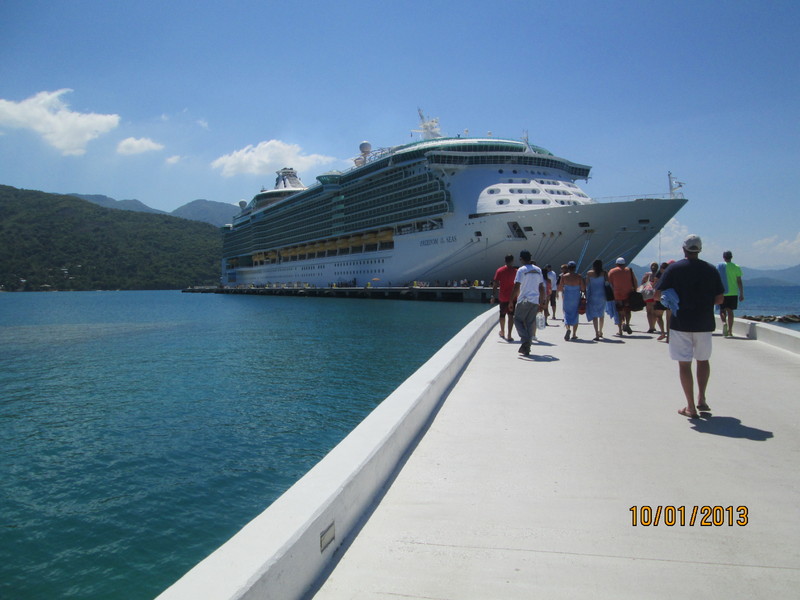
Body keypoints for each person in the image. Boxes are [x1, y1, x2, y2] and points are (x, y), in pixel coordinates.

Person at [655, 234, 724, 419]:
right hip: (704, 322)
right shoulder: (710, 270)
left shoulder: (673, 269)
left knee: (684, 364)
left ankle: (690, 407)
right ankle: (702, 399)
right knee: (703, 360)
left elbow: (657, 295)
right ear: (700, 249)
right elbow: (719, 298)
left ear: (683, 249)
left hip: (680, 323)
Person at [509, 250, 546, 356]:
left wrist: (511, 301)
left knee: (517, 320)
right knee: (530, 323)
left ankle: (525, 340)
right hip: (535, 301)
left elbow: (516, 286)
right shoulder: (538, 270)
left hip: (524, 300)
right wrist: (542, 301)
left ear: (521, 259)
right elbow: (541, 287)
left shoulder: (521, 270)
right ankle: (527, 348)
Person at [490, 254, 518, 341]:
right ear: (512, 261)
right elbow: (518, 285)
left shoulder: (500, 270)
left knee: (502, 315)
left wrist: (493, 296)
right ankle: (509, 335)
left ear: (505, 260)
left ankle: (502, 331)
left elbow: (495, 284)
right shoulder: (516, 271)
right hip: (513, 297)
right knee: (511, 315)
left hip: (503, 296)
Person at [717, 250, 744, 337]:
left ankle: (724, 322)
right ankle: (730, 331)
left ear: (723, 257)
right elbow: (739, 281)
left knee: (722, 310)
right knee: (730, 311)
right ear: (731, 257)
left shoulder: (720, 266)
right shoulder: (736, 267)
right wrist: (741, 293)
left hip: (723, 292)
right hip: (733, 292)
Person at [607, 257, 637, 335]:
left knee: (619, 312)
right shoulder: (629, 270)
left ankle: (620, 330)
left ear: (616, 264)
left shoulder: (612, 271)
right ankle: (627, 324)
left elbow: (609, 283)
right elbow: (635, 281)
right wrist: (635, 291)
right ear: (624, 264)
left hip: (617, 294)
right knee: (627, 310)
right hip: (628, 294)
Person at [558, 260, 585, 340]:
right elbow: (583, 288)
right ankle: (574, 334)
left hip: (567, 296)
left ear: (568, 268)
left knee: (566, 314)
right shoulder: (579, 276)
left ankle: (568, 329)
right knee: (575, 314)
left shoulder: (564, 276)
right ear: (575, 268)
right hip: (576, 297)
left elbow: (560, 287)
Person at [584, 258, 608, 340]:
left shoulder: (589, 273)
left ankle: (596, 333)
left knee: (594, 315)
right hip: (602, 295)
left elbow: (586, 284)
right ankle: (601, 331)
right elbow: (607, 283)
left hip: (593, 295)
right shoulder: (604, 273)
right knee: (601, 314)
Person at [641, 262, 659, 333]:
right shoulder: (659, 275)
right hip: (656, 294)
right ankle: (653, 326)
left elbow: (642, 283)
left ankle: (651, 327)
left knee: (649, 311)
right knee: (654, 311)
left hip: (648, 295)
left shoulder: (647, 275)